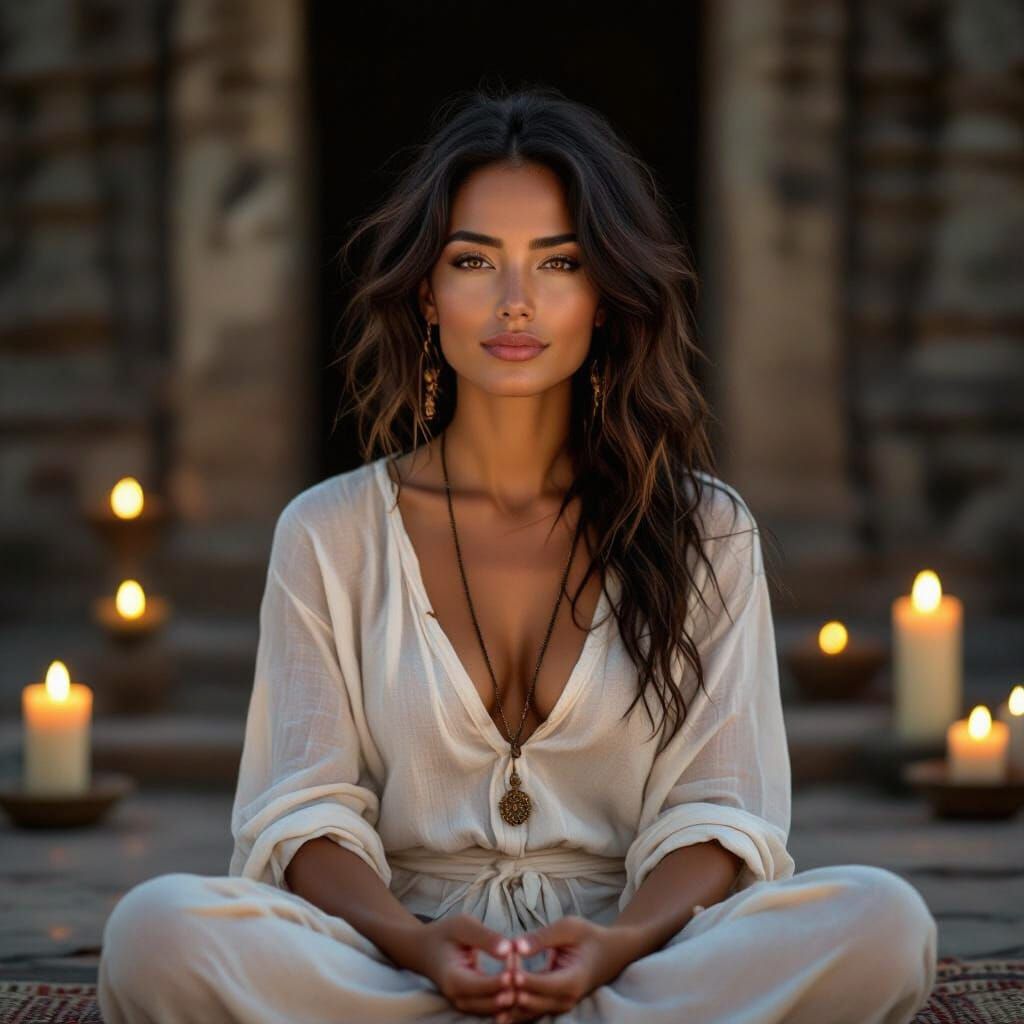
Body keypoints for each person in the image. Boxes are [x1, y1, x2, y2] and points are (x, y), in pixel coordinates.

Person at [98, 84, 938, 1024]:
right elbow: (303, 811)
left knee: (885, 921)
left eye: (558, 262)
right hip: (398, 962)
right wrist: (416, 944)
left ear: (607, 295)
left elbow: (721, 810)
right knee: (157, 931)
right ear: (427, 290)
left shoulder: (705, 527)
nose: (514, 303)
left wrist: (615, 945)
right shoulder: (329, 531)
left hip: (637, 955)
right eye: (474, 261)